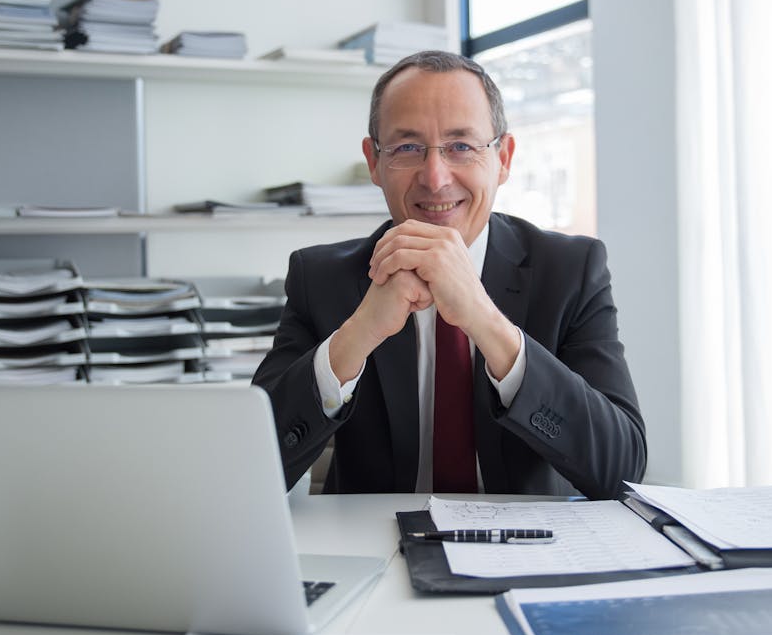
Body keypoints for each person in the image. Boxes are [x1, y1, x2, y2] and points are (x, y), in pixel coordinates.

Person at [253, 50, 646, 500]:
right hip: (373, 548)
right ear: (375, 163)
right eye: (407, 148)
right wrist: (358, 335)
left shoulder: (571, 270)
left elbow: (622, 470)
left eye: (461, 145)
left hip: (527, 555)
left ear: (503, 158)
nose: (436, 178)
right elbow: (249, 471)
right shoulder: (321, 278)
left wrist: (485, 320)